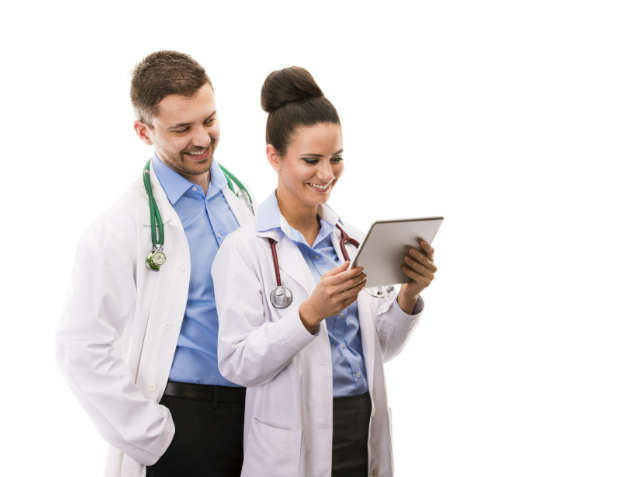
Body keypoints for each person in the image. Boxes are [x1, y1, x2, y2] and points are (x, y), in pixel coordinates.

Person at [212, 67, 438, 477]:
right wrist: (308, 314)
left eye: (336, 159)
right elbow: (237, 362)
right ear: (273, 157)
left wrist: (407, 295)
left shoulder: (351, 241)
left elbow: (374, 351)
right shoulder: (244, 249)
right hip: (292, 441)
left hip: (362, 424)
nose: (327, 174)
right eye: (311, 160)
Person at [54, 50, 256, 477]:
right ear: (144, 132)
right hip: (186, 421)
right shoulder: (118, 229)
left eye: (209, 120)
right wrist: (155, 435)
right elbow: (80, 346)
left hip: (259, 414)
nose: (202, 138)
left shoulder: (243, 201)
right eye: (182, 129)